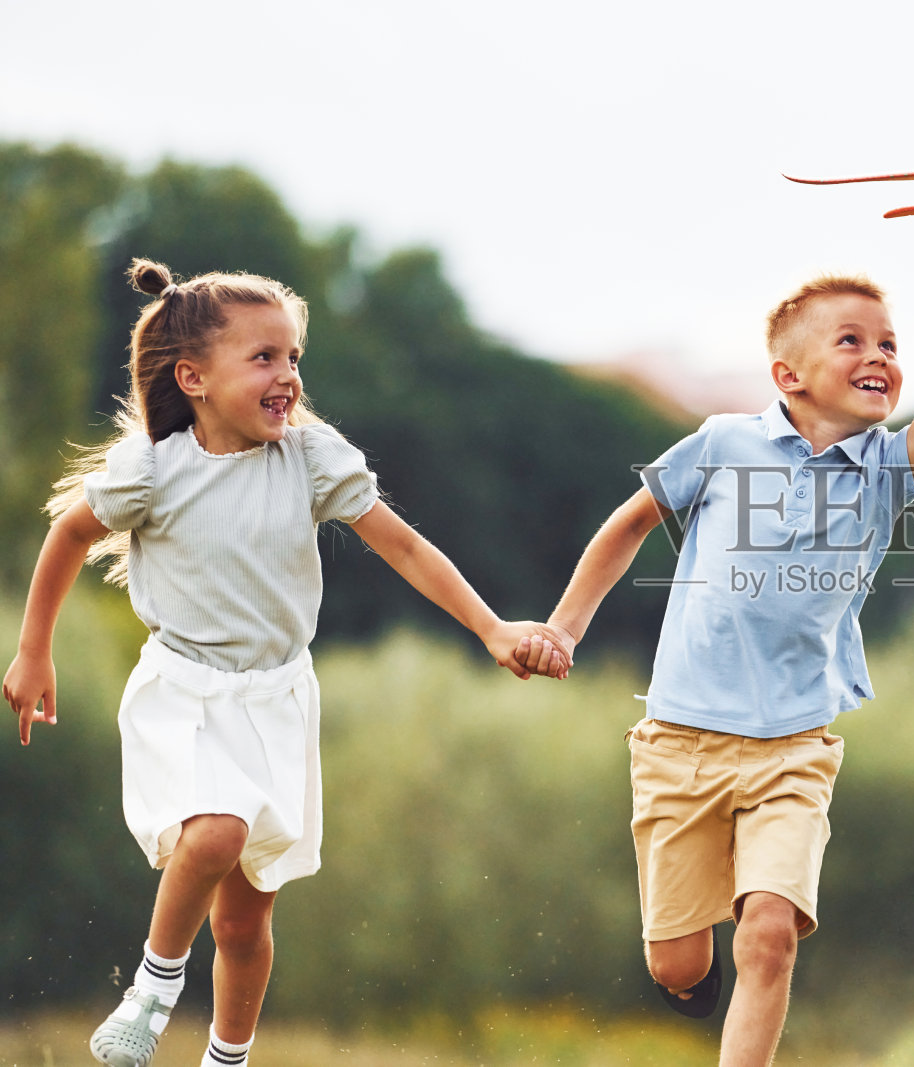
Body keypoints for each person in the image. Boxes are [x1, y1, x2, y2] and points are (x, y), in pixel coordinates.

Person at [2, 259, 566, 1067]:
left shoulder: (308, 457)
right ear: (193, 377)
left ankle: (226, 1057)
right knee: (215, 833)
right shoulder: (154, 468)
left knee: (244, 923)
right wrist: (33, 649)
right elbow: (69, 534)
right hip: (185, 691)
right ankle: (151, 992)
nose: (288, 377)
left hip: (278, 700)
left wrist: (489, 627)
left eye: (294, 357)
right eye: (264, 357)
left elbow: (402, 545)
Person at [516, 173, 914, 1066]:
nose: (880, 355)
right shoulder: (722, 442)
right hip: (679, 741)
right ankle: (687, 983)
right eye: (852, 340)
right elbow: (630, 524)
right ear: (787, 373)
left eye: (889, 342)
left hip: (793, 744)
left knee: (770, 935)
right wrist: (566, 625)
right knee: (677, 961)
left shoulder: (888, 467)